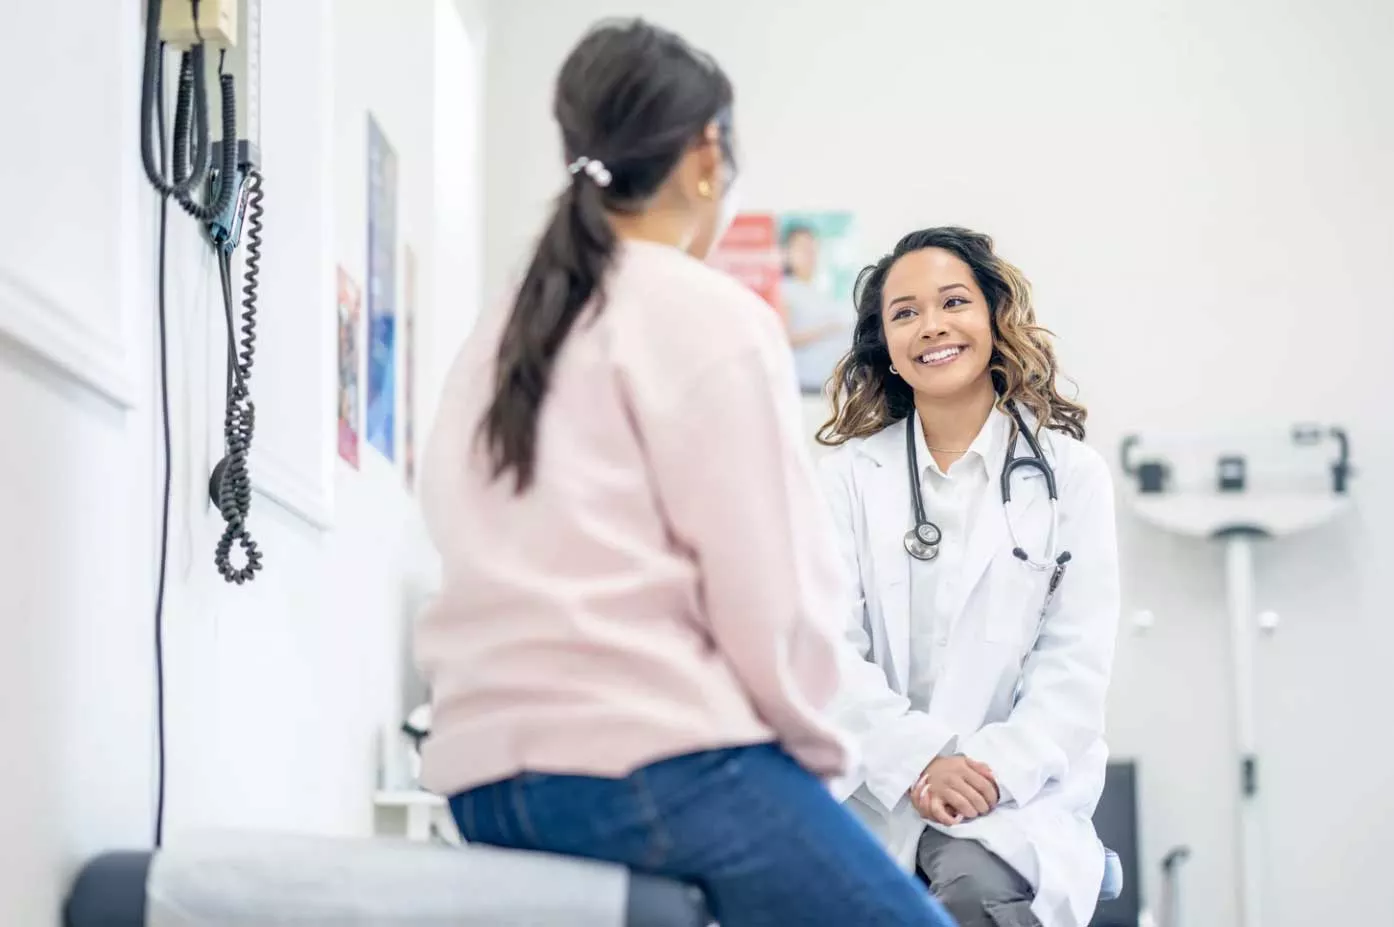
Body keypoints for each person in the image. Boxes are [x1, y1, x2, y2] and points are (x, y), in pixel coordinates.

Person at [413, 20, 956, 927]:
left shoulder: (503, 329)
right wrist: (816, 771)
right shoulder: (709, 316)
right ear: (707, 154)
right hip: (651, 769)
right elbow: (770, 600)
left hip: (483, 785)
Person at [815, 227, 1121, 927]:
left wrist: (979, 773)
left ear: (993, 317)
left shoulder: (1070, 477)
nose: (932, 326)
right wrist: (920, 762)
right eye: (905, 313)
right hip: (876, 787)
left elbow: (1072, 670)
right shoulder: (845, 480)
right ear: (885, 346)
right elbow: (826, 652)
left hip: (1012, 797)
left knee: (973, 894)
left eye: (953, 301)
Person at [779, 224, 853, 393]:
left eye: (813, 249)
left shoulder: (818, 290)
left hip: (830, 384)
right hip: (805, 385)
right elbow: (783, 338)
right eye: (803, 249)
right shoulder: (785, 290)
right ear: (787, 253)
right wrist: (827, 328)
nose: (810, 255)